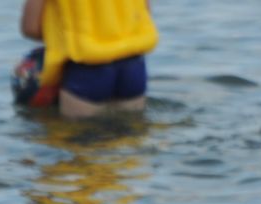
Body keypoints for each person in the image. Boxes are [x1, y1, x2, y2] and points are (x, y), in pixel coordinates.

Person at [12, 0, 156, 117]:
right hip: (133, 64)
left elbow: (31, 28)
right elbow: (144, 14)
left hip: (87, 67)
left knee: (83, 144)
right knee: (132, 141)